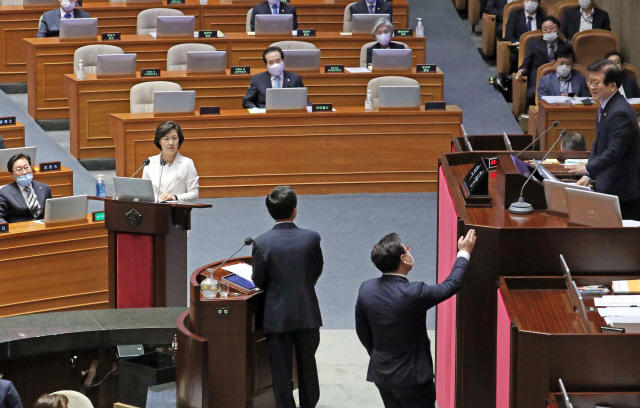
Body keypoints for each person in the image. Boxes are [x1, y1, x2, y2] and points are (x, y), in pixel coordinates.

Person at [355, 230, 477, 408]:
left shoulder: (366, 288)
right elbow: (452, 284)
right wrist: (464, 252)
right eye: (407, 249)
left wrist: (377, 355)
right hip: (414, 378)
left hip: (382, 373)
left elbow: (362, 329)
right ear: (403, 259)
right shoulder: (414, 292)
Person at [251, 186, 323, 408]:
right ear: (295, 210)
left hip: (277, 317)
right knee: (307, 366)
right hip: (307, 314)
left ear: (271, 212)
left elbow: (259, 280)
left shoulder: (261, 243)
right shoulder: (311, 238)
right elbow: (316, 270)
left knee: (281, 372)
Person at [566, 59, 640, 220]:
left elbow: (614, 152)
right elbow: (598, 143)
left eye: (596, 82)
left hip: (622, 190)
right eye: (589, 82)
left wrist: (588, 169)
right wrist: (589, 174)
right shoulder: (606, 106)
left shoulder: (619, 112)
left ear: (612, 85)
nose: (591, 87)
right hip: (608, 183)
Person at [141, 121, 199, 202]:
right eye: (166, 139)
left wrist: (174, 197)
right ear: (159, 141)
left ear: (179, 140)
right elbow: (144, 191)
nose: (171, 143)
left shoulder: (187, 163)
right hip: (154, 209)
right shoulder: (150, 162)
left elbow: (194, 193)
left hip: (177, 209)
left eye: (174, 138)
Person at [516, 16, 566, 106]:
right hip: (538, 81)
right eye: (545, 29)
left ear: (558, 30)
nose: (548, 31)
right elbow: (525, 64)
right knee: (531, 95)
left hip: (561, 81)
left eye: (551, 28)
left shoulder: (566, 46)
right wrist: (521, 70)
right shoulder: (533, 45)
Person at [242, 46, 308, 109]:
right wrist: (256, 110)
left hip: (288, 115)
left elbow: (304, 100)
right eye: (271, 62)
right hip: (265, 116)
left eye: (278, 61)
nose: (275, 64)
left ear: (283, 61)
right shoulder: (257, 79)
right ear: (266, 65)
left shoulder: (295, 78)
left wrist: (308, 108)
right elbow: (247, 101)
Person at [0, 153, 52, 224]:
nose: (24, 172)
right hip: (20, 231)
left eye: (26, 168)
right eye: (19, 170)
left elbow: (52, 212)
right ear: (11, 174)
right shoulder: (5, 193)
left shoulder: (44, 188)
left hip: (43, 229)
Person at [503, 0, 546, 73]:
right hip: (519, 47)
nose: (530, 2)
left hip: (538, 48)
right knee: (514, 57)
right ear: (523, 1)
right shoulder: (515, 15)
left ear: (538, 3)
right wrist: (519, 44)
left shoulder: (543, 17)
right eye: (528, 0)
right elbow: (509, 35)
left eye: (533, 0)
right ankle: (516, 79)